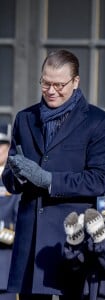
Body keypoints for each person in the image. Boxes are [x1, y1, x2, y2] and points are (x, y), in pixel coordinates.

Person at [2, 49, 105, 300]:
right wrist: (19, 177)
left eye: (59, 84)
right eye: (45, 83)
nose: (51, 90)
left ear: (75, 82)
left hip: (71, 239)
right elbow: (8, 176)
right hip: (31, 238)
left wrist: (48, 180)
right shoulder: (25, 118)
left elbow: (99, 180)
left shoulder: (99, 122)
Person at [0, 123, 20, 300]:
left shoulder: (14, 181)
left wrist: (1, 234)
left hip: (4, 268)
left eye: (1, 145)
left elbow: (19, 232)